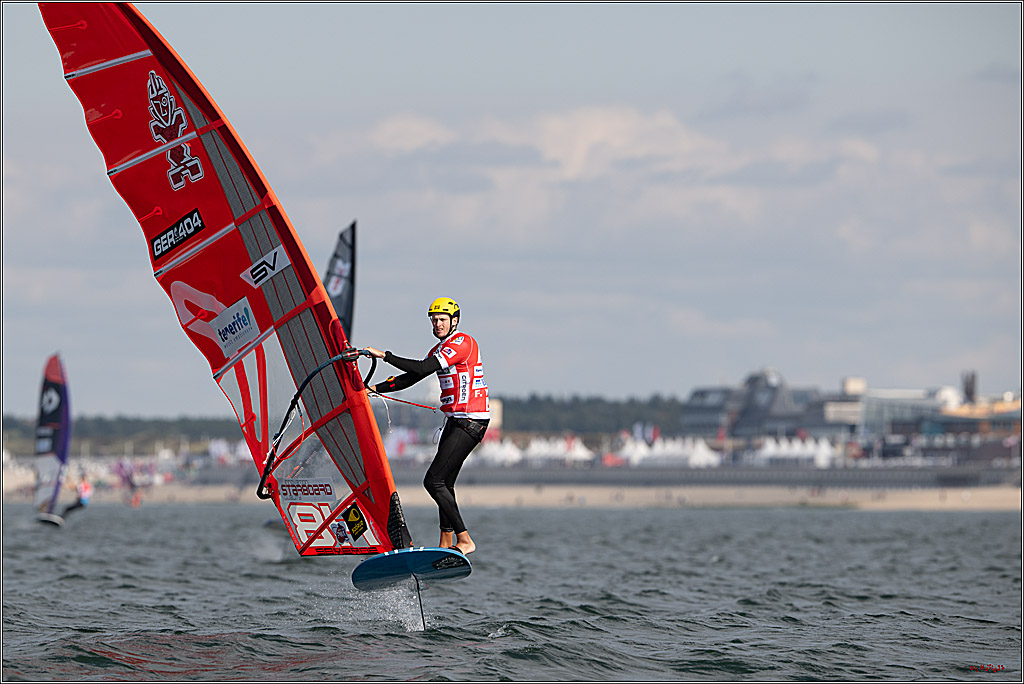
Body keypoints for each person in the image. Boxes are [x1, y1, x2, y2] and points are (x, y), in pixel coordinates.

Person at [364, 297, 489, 555]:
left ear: (454, 321)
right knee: (445, 483)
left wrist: (385, 356)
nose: (437, 323)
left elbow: (422, 367)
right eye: (434, 319)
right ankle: (445, 542)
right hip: (456, 421)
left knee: (433, 481)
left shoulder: (461, 343)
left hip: (471, 422)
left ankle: (465, 540)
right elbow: (412, 377)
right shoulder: (438, 350)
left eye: (442, 319)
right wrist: (372, 389)